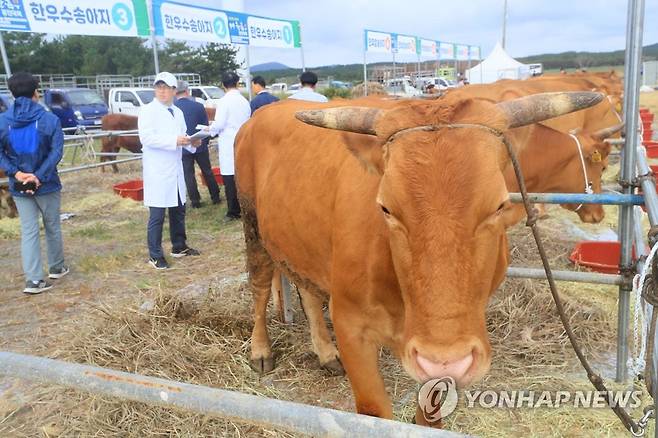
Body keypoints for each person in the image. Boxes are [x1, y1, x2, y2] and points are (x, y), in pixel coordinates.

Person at [0, 72, 68, 294]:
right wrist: (39, 175)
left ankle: (34, 280)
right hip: (46, 183)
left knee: (28, 231)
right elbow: (56, 151)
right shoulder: (50, 119)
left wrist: (16, 173)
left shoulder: (3, 121)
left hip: (19, 186)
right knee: (52, 226)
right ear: (35, 93)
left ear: (11, 93)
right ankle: (56, 267)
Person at [138, 72, 200, 270]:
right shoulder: (148, 111)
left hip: (175, 168)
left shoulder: (177, 112)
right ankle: (155, 255)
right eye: (159, 87)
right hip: (158, 170)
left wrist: (192, 142)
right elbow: (147, 138)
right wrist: (174, 141)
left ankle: (179, 245)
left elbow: (182, 137)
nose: (162, 91)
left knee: (178, 209)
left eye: (166, 88)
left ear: (174, 90)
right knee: (157, 214)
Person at [208, 71, 251, 222]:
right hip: (243, 139)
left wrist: (209, 130)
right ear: (238, 83)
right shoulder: (244, 101)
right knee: (242, 175)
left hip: (228, 142)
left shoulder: (224, 101)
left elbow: (219, 124)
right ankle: (246, 206)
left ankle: (233, 210)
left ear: (223, 85)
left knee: (229, 176)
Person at [174, 80, 221, 208]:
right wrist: (204, 142)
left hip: (182, 146)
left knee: (188, 174)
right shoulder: (198, 106)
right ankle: (215, 196)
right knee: (207, 171)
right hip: (199, 143)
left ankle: (195, 201)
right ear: (187, 91)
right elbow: (205, 127)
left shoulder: (172, 108)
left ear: (175, 92)